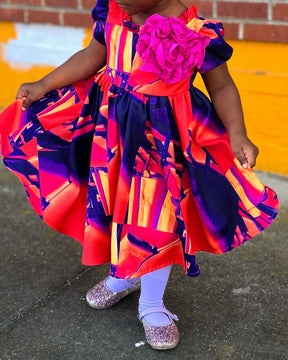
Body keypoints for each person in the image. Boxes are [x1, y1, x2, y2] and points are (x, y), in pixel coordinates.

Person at [0, 0, 278, 351]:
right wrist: (43, 84)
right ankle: (122, 276)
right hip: (112, 133)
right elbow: (91, 57)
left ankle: (151, 304)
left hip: (162, 142)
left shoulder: (197, 33)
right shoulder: (114, 13)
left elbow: (222, 87)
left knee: (154, 218)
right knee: (114, 207)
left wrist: (238, 134)